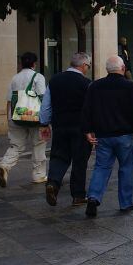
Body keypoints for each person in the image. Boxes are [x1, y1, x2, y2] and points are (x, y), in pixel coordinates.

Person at [82, 56, 133, 217]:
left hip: (103, 135)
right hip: (124, 135)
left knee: (101, 167)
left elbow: (87, 110)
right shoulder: (130, 87)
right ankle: (126, 202)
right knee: (125, 168)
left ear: (107, 69)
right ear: (122, 68)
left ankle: (93, 197)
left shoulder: (95, 86)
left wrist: (87, 131)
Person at [39, 53, 93, 206]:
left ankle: (53, 183)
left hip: (60, 125)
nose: (87, 69)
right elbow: (90, 108)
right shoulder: (86, 83)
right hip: (81, 127)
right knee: (79, 160)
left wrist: (44, 124)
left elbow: (46, 105)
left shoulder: (55, 80)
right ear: (83, 66)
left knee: (58, 156)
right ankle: (78, 195)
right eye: (87, 67)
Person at [0, 52, 48, 187]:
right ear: (33, 64)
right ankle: (39, 174)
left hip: (16, 116)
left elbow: (9, 100)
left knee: (16, 145)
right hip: (35, 117)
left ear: (21, 64)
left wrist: (9, 118)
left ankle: (4, 165)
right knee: (39, 144)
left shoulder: (15, 78)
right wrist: (46, 119)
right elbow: (43, 98)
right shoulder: (38, 77)